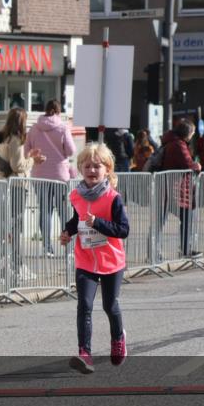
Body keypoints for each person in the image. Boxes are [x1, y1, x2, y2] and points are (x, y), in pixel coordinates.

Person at [60, 143, 130, 374]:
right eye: (87, 166)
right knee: (85, 305)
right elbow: (76, 219)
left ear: (107, 169)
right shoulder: (76, 195)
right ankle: (84, 354)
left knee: (110, 306)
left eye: (97, 166)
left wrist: (98, 223)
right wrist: (68, 232)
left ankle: (118, 339)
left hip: (111, 261)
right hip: (86, 260)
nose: (91, 170)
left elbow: (123, 229)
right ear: (80, 168)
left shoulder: (113, 198)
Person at [0, 107, 44, 282]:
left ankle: (8, 264)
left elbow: (11, 161)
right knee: (16, 227)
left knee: (8, 226)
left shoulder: (3, 137)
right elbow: (17, 166)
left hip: (3, 183)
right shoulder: (16, 139)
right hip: (15, 185)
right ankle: (16, 266)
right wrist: (33, 160)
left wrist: (28, 156)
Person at [25, 99, 75, 256]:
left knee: (44, 210)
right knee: (63, 211)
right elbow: (72, 150)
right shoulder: (62, 127)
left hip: (39, 174)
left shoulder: (34, 128)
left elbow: (27, 150)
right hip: (60, 175)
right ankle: (68, 248)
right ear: (59, 111)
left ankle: (47, 247)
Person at [160, 119, 201, 258]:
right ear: (188, 132)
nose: (193, 135)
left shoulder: (171, 142)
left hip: (170, 187)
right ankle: (185, 250)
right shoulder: (179, 144)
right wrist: (197, 166)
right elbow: (188, 164)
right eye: (193, 132)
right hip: (177, 189)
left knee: (162, 221)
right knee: (184, 218)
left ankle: (156, 252)